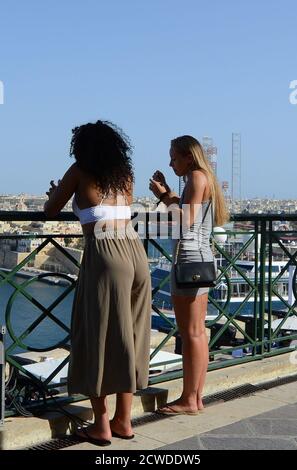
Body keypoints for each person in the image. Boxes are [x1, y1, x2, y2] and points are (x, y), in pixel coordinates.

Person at [44, 120, 151, 445]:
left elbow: (51, 211)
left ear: (81, 147)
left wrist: (54, 194)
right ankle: (124, 421)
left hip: (105, 253)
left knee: (97, 334)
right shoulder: (124, 174)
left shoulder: (78, 170)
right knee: (130, 335)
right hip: (134, 250)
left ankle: (102, 425)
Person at [149, 135, 228, 415]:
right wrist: (167, 194)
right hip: (202, 258)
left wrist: (156, 207)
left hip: (189, 261)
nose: (170, 163)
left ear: (188, 157)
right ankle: (196, 397)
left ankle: (189, 400)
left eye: (173, 157)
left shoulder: (195, 177)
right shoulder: (202, 177)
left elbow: (183, 222)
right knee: (198, 334)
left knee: (191, 333)